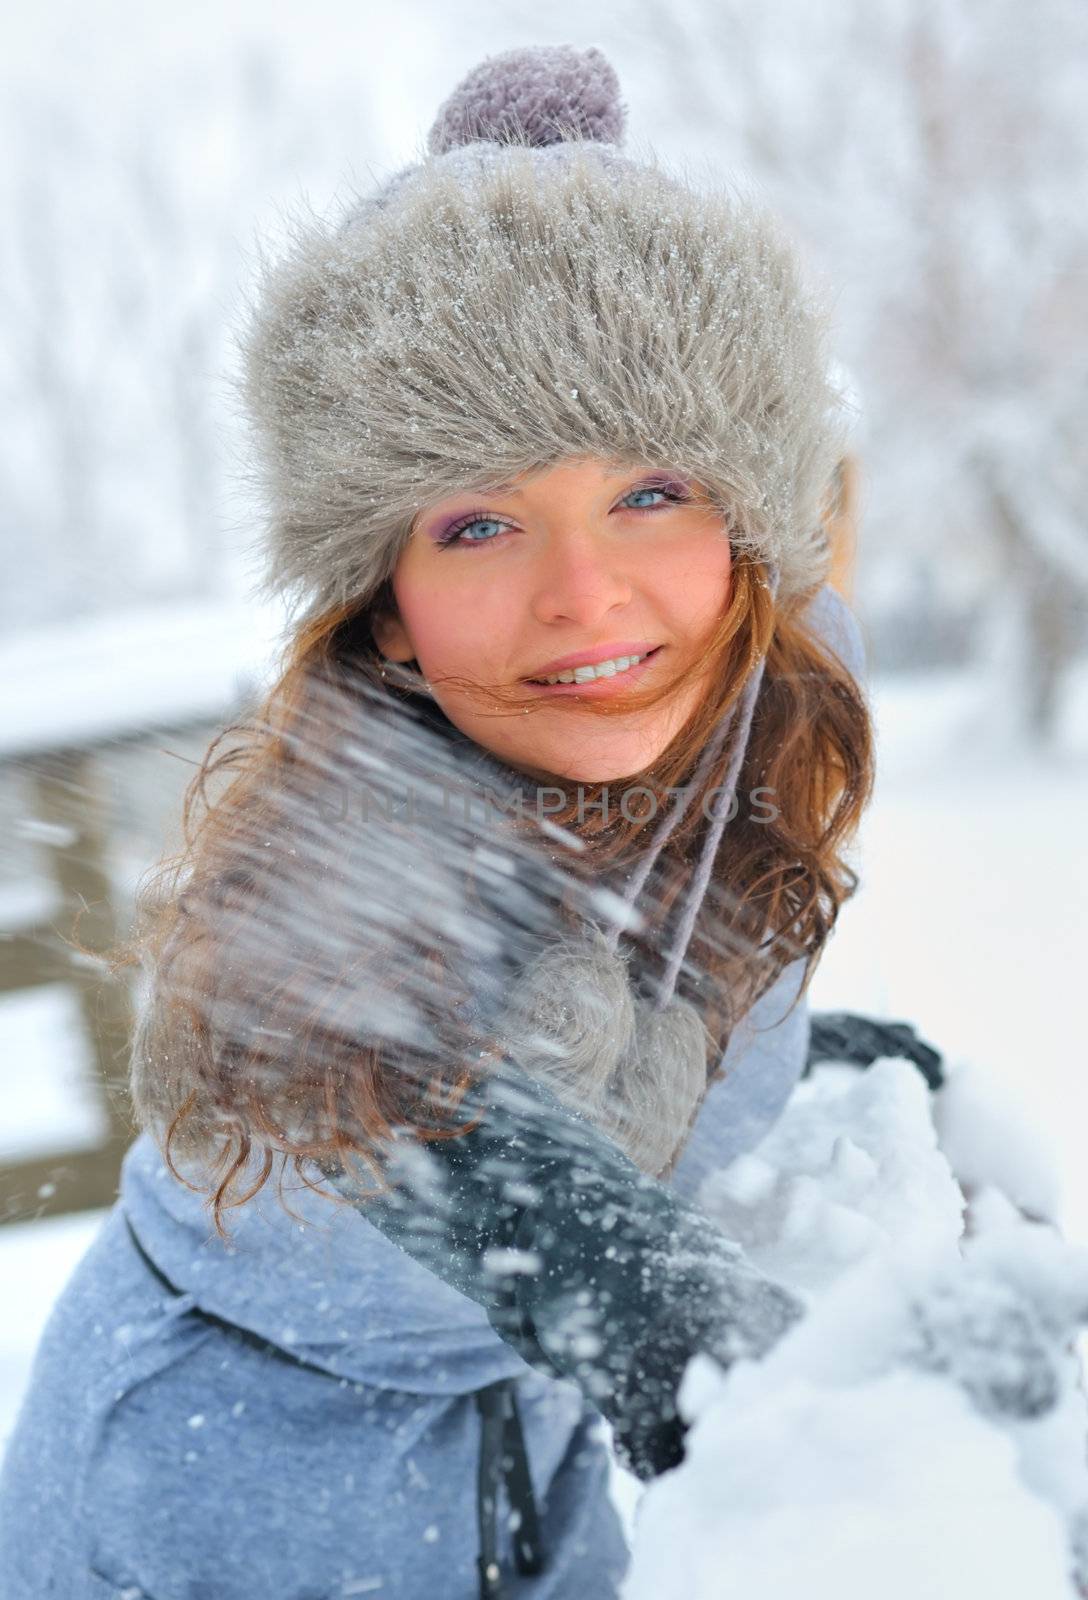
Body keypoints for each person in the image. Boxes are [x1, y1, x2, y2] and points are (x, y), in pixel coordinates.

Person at [0, 44, 880, 1599]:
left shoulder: (725, 750)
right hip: (238, 1491)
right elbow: (410, 1102)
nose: (584, 592)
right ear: (389, 611)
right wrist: (669, 1317)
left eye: (653, 490)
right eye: (477, 521)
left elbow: (668, 1021)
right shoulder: (349, 857)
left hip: (503, 1473)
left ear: (749, 530)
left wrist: (846, 1068)